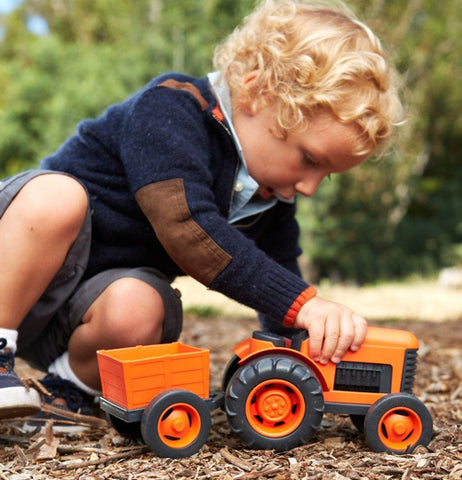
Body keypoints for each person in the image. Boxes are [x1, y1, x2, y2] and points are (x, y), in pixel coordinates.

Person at [0, 0, 402, 425]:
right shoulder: (169, 111)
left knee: (140, 308)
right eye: (309, 159)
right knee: (57, 197)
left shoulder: (267, 195)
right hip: (16, 270)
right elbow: (186, 224)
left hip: (74, 316)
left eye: (327, 175)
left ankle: (63, 391)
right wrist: (305, 305)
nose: (309, 187)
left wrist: (312, 348)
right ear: (255, 91)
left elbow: (278, 279)